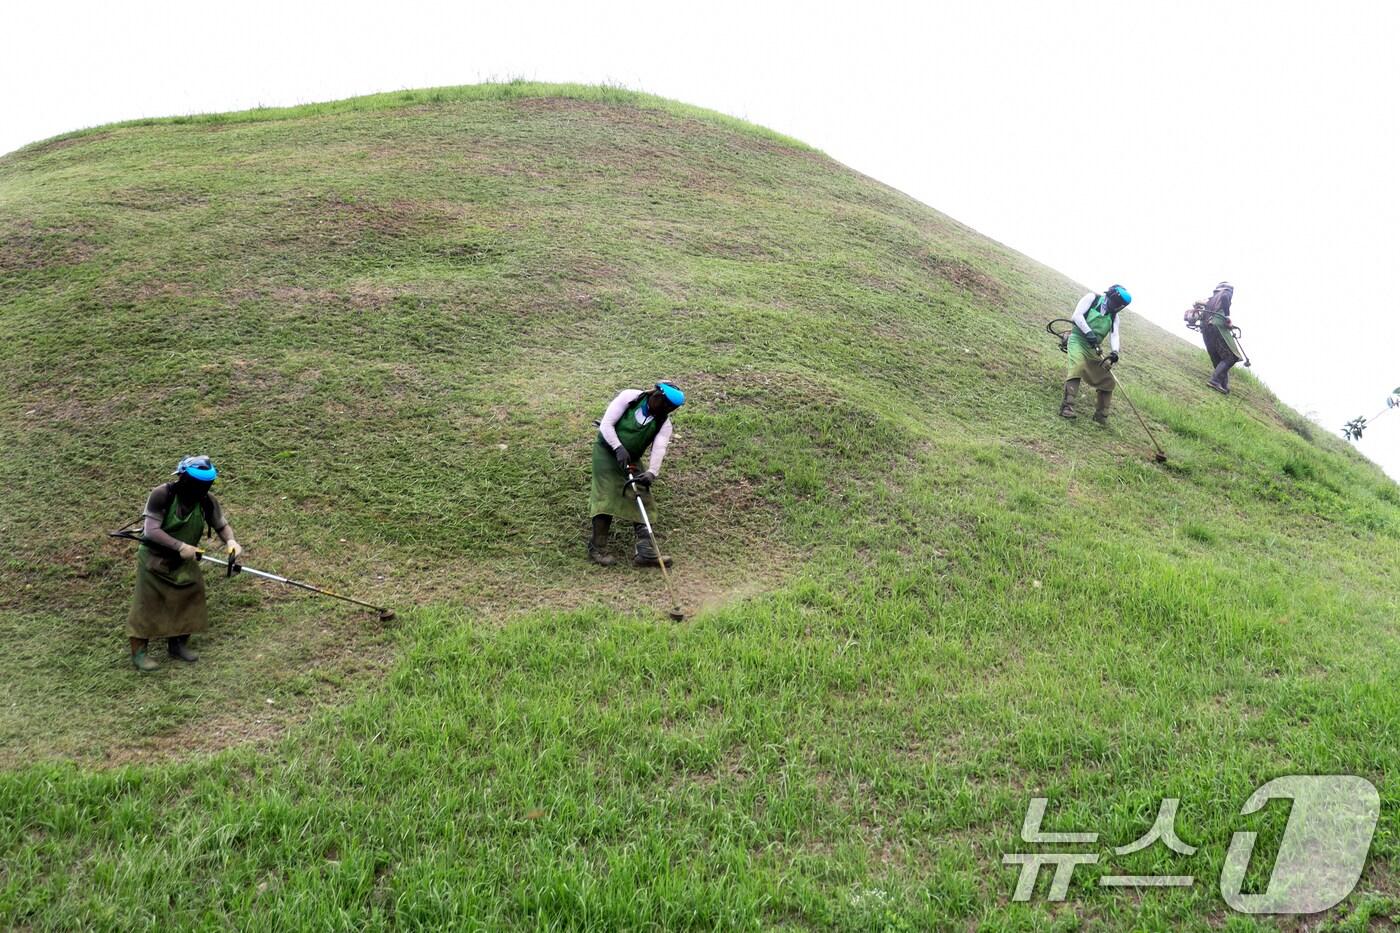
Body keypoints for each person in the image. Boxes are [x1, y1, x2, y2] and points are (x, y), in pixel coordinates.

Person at [127, 456, 242, 672]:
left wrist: (231, 541)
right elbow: (151, 531)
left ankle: (178, 644)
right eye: (196, 483)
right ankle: (139, 652)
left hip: (184, 559)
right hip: (155, 558)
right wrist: (180, 546)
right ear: (183, 477)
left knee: (190, 595)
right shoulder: (162, 494)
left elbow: (221, 525)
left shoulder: (207, 500)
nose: (201, 488)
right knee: (148, 604)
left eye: (205, 484)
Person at [588, 382, 684, 567]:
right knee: (606, 495)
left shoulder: (664, 423)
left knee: (642, 495)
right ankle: (597, 549)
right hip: (606, 451)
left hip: (630, 458)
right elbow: (606, 424)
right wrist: (617, 447)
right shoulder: (630, 398)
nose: (666, 411)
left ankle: (645, 553)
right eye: (665, 406)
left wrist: (651, 473)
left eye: (671, 409)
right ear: (656, 396)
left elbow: (659, 448)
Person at [1059, 284, 1132, 424]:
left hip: (1094, 348)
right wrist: (1089, 332)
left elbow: (1114, 335)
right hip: (1078, 340)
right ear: (1110, 296)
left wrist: (1115, 352)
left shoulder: (1114, 316)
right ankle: (1067, 406)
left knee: (1108, 379)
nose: (1116, 308)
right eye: (1116, 304)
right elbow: (1077, 316)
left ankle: (1101, 415)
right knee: (1078, 366)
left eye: (1120, 306)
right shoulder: (1092, 298)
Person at [1198, 281, 1242, 394]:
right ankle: (1215, 381)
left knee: (1218, 358)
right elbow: (1225, 297)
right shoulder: (1225, 294)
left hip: (1206, 330)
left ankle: (1223, 384)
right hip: (1217, 326)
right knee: (1230, 357)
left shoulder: (1209, 300)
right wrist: (1227, 317)